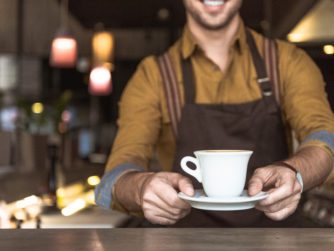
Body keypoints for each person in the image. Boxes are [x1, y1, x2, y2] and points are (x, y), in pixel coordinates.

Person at [95, 0, 334, 227]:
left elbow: (326, 138)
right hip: (186, 243)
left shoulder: (288, 61)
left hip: (278, 240)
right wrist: (140, 186)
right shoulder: (153, 76)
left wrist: (295, 172)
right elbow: (115, 176)